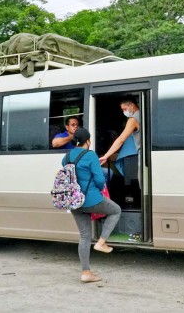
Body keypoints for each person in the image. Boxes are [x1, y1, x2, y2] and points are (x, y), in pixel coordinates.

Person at [64, 127, 121, 283]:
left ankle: (86, 272)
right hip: (91, 199)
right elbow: (100, 180)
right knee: (115, 210)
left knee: (84, 236)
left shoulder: (67, 156)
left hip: (74, 201)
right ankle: (102, 242)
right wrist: (100, 188)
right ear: (88, 141)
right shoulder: (90, 155)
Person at [99, 97, 141, 185]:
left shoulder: (133, 119)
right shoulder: (143, 114)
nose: (124, 112)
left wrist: (106, 156)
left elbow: (121, 139)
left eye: (125, 109)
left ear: (132, 105)